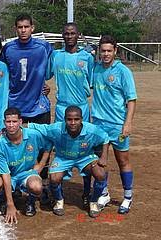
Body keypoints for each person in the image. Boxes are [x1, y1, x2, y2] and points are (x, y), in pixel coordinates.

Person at [29, 106, 109, 218]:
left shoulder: (92, 130)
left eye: (76, 119)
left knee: (101, 174)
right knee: (54, 178)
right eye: (69, 119)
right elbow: (36, 127)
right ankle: (59, 201)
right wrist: (16, 126)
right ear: (64, 119)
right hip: (63, 158)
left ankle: (93, 201)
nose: (72, 122)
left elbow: (105, 138)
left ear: (82, 119)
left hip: (85, 157)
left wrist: (104, 156)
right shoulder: (56, 129)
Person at [47, 22, 95, 206]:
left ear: (78, 35)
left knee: (86, 149)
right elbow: (46, 75)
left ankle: (86, 191)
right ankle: (57, 194)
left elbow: (92, 81)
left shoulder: (87, 58)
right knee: (60, 147)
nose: (69, 36)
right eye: (66, 33)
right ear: (62, 36)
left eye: (72, 33)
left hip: (81, 108)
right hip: (61, 108)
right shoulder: (56, 56)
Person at [91, 35, 137, 214]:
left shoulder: (123, 71)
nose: (106, 54)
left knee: (122, 160)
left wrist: (128, 123)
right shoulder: (96, 69)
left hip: (117, 124)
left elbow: (131, 99)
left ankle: (127, 196)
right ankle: (104, 193)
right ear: (99, 52)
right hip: (99, 125)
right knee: (101, 161)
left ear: (115, 51)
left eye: (109, 50)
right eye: (103, 51)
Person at [0, 107, 51, 224]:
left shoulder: (33, 135)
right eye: (8, 122)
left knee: (36, 186)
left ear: (20, 122)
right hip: (10, 175)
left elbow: (48, 144)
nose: (11, 125)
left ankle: (30, 202)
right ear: (4, 123)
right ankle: (4, 202)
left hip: (27, 173)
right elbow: (5, 174)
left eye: (14, 121)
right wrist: (10, 204)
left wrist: (41, 164)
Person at [0, 13, 53, 124]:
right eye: (20, 27)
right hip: (15, 104)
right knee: (16, 140)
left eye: (26, 27)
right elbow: (1, 73)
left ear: (32, 28)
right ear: (15, 29)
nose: (23, 30)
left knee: (42, 140)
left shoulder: (44, 47)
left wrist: (45, 85)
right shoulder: (8, 48)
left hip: (38, 106)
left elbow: (55, 67)